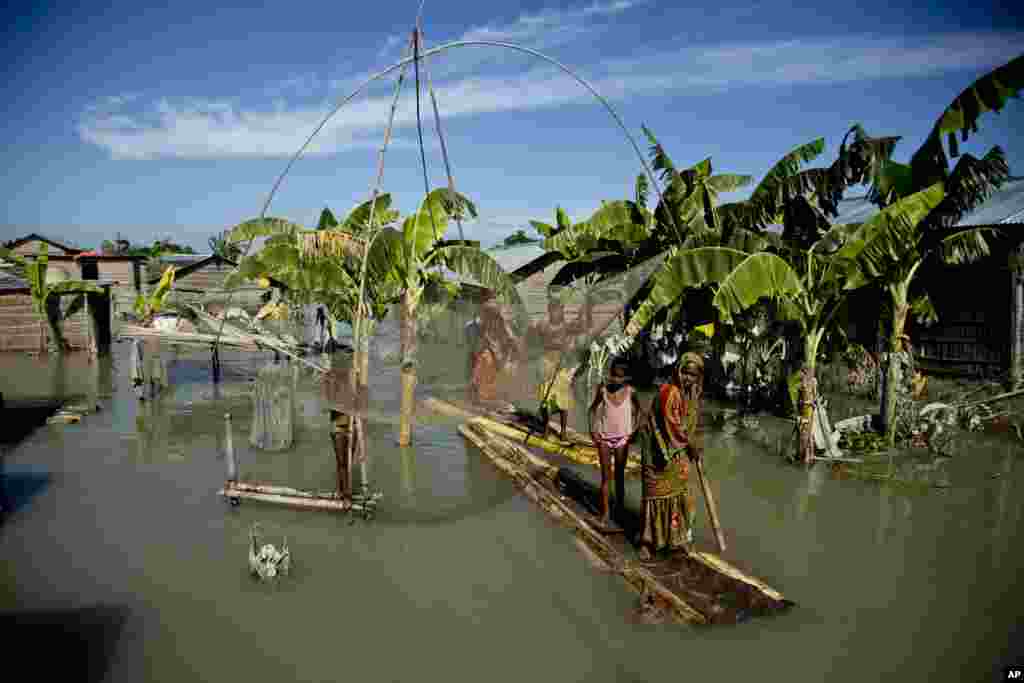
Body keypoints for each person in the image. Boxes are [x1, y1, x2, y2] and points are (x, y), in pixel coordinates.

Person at [635, 351, 705, 560]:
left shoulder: (693, 394)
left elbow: (691, 424)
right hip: (657, 450)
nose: (688, 378)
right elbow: (671, 425)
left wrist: (695, 445)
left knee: (678, 494)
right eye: (685, 372)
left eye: (693, 375)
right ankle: (647, 541)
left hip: (678, 451)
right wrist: (689, 443)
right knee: (654, 495)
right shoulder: (669, 392)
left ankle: (674, 539)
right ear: (678, 370)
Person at [530, 294, 593, 440]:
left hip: (563, 364)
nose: (556, 313)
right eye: (553, 310)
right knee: (546, 398)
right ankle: (546, 428)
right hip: (546, 363)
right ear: (549, 310)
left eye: (559, 310)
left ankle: (563, 431)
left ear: (562, 310)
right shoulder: (542, 325)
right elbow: (535, 342)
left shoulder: (567, 326)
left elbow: (584, 325)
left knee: (563, 398)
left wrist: (587, 307)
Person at [588, 361, 643, 529]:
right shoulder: (603, 390)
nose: (615, 380)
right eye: (613, 375)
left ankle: (619, 512)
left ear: (625, 378)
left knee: (619, 477)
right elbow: (592, 410)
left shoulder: (631, 392)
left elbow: (639, 411)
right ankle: (605, 514)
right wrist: (592, 431)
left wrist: (634, 430)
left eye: (619, 377)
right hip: (604, 437)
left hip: (622, 439)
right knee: (606, 478)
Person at [469, 289, 517, 403]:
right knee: (488, 370)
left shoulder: (492, 308)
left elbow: (504, 328)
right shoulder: (491, 308)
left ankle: (482, 394)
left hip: (496, 345)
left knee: (492, 370)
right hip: (492, 345)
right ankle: (482, 395)